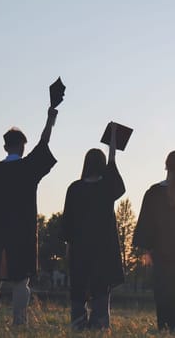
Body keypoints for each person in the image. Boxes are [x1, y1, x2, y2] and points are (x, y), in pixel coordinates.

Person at [0, 106, 59, 325]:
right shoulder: (28, 168)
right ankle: (19, 321)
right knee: (21, 282)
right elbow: (44, 144)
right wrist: (50, 120)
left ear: (4, 146)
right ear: (22, 146)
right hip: (22, 236)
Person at [132, 125, 175, 333]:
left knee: (162, 293)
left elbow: (145, 223)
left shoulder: (153, 193)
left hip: (160, 254)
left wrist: (146, 251)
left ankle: (163, 327)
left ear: (166, 167)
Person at [60, 123, 126, 330]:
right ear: (103, 166)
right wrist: (112, 148)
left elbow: (67, 222)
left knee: (78, 290)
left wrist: (68, 246)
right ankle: (99, 327)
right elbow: (114, 170)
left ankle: (78, 326)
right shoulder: (106, 188)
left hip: (80, 249)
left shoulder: (74, 189)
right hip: (102, 251)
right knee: (100, 291)